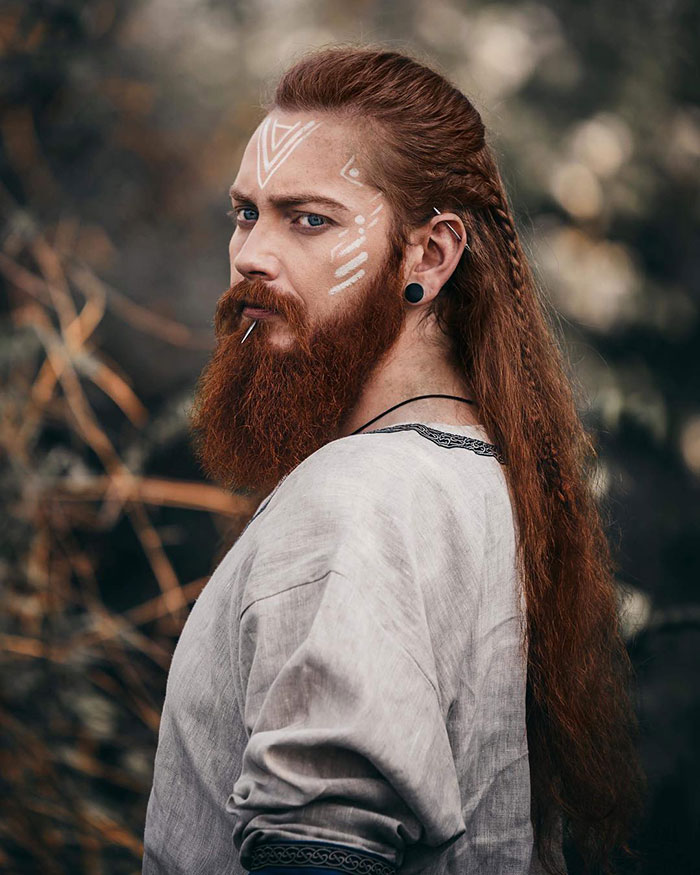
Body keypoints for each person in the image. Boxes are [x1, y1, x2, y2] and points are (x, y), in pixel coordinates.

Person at [142, 46, 645, 875]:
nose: (250, 256)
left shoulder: (358, 498)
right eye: (244, 214)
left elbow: (319, 846)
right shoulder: (484, 484)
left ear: (430, 256)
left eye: (309, 219)